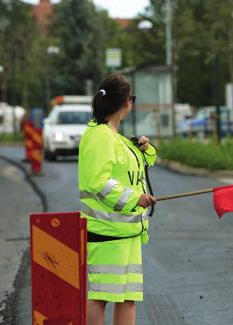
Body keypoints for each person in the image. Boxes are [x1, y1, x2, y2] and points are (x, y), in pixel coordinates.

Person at [78, 73, 157, 325]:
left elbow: (141, 166)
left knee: (126, 297)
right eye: (131, 98)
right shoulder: (100, 136)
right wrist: (137, 198)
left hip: (126, 234)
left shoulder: (117, 137)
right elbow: (98, 182)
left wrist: (146, 149)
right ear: (126, 103)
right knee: (99, 296)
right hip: (106, 234)